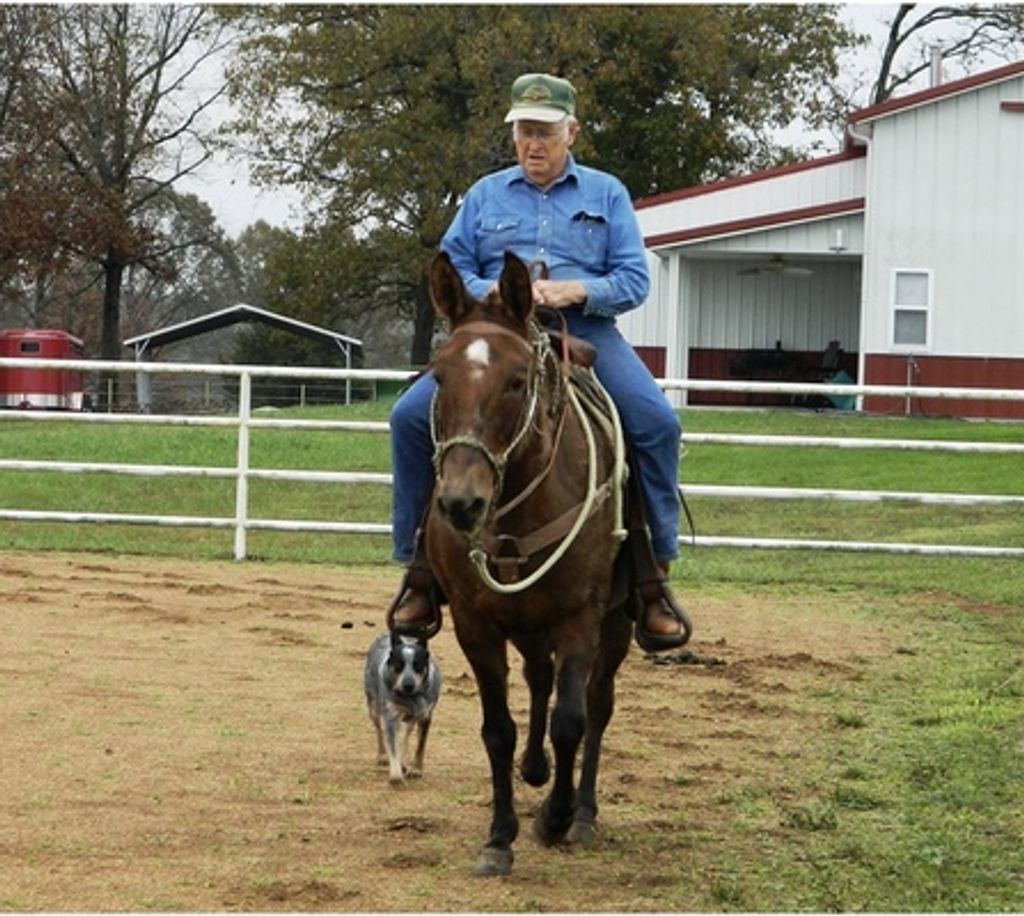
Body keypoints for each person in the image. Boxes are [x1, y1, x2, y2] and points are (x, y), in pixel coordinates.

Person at [387, 72, 687, 651]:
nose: (534, 144)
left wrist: (573, 292)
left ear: (571, 131)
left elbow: (632, 279)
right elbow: (452, 264)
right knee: (406, 418)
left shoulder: (607, 194)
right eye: (525, 131)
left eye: (546, 132)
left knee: (656, 424)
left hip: (583, 332)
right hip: (496, 334)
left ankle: (653, 578)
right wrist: (498, 292)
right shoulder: (484, 195)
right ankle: (418, 570)